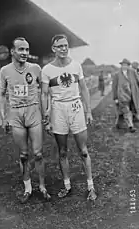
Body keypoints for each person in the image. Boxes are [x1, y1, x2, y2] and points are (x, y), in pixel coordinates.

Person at [41, 34, 97, 201]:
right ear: (53, 49)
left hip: (75, 108)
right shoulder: (47, 70)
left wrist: (88, 111)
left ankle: (90, 186)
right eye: (60, 46)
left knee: (83, 151)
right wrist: (47, 117)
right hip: (58, 111)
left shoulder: (76, 66)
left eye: (65, 46)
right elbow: (44, 94)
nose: (63, 49)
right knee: (63, 151)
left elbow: (84, 89)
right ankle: (67, 186)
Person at [0, 37, 51, 204]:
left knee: (38, 154)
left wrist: (46, 112)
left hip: (33, 112)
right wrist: (3, 117)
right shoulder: (5, 70)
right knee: (23, 155)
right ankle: (27, 188)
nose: (25, 53)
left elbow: (44, 92)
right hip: (16, 115)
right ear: (12, 52)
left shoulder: (35, 68)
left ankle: (42, 187)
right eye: (21, 49)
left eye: (27, 50)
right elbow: (0, 94)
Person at [112, 58, 139, 132]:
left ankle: (118, 124)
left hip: (132, 95)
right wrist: (115, 98)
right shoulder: (117, 74)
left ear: (129, 65)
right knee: (126, 110)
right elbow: (114, 87)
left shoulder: (133, 72)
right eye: (123, 65)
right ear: (121, 65)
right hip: (122, 96)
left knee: (125, 111)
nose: (124, 66)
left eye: (126, 65)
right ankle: (130, 126)